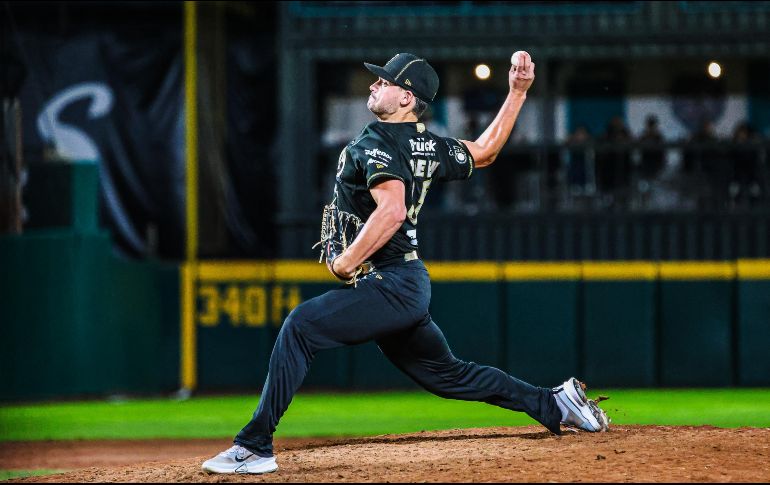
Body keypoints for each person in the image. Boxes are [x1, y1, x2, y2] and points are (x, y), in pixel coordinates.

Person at [202, 52, 609, 475]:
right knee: (451, 376)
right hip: (405, 284)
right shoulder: (427, 144)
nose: (375, 85)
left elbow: (392, 210)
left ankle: (254, 446)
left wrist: (345, 261)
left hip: (392, 283)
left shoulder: (378, 142)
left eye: (385, 81)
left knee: (300, 327)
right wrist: (517, 93)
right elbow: (485, 152)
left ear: (406, 99)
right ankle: (554, 402)